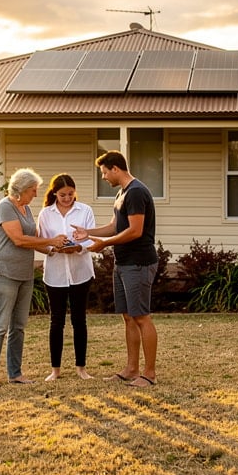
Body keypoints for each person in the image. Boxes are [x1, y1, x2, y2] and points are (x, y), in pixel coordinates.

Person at [72, 150, 158, 388]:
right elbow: (114, 226)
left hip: (138, 262)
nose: (103, 178)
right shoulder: (123, 193)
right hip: (123, 262)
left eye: (104, 172)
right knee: (128, 317)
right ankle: (132, 369)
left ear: (115, 169)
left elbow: (135, 230)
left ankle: (149, 374)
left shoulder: (137, 192)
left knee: (141, 317)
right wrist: (88, 233)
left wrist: (104, 244)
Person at [0, 169, 69, 389]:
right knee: (0, 326)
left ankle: (15, 374)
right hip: (3, 273)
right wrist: (50, 240)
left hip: (24, 274)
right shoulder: (5, 207)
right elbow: (19, 240)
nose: (35, 194)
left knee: (18, 327)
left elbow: (34, 239)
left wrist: (52, 248)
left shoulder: (26, 208)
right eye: (33, 190)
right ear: (21, 189)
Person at [36, 174, 96, 382]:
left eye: (71, 194)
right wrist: (55, 248)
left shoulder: (85, 210)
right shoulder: (45, 214)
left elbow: (91, 241)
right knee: (56, 321)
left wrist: (78, 246)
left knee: (79, 320)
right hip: (55, 274)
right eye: (63, 195)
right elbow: (42, 243)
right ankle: (56, 369)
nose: (67, 198)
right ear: (55, 193)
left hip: (81, 272)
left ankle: (81, 368)